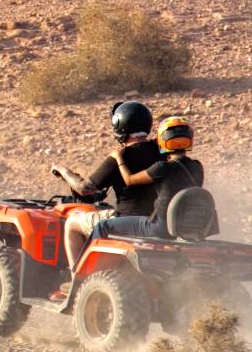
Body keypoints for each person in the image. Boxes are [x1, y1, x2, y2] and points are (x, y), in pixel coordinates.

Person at [50, 100, 162, 275]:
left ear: (119, 126)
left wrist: (62, 170)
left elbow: (84, 189)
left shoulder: (120, 156)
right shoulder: (161, 151)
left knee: (73, 221)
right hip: (156, 221)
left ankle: (77, 279)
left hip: (125, 220)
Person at [112, 114, 205, 231]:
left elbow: (129, 180)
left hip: (159, 226)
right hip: (184, 225)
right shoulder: (197, 166)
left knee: (102, 226)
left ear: (163, 139)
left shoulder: (162, 167)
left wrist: (118, 158)